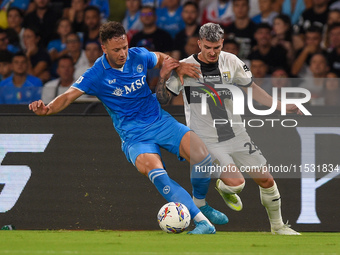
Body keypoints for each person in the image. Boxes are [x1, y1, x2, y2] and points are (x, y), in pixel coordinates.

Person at [28, 21, 229, 234]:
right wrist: (48, 109)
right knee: (158, 173)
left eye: (124, 47)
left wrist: (177, 65)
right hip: (134, 136)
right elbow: (69, 95)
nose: (123, 53)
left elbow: (160, 57)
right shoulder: (96, 73)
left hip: (160, 121)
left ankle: (199, 204)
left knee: (202, 157)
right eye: (116, 50)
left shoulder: (138, 55)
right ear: (104, 48)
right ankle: (202, 223)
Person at [158, 22, 302, 235]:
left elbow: (252, 88)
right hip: (206, 140)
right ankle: (225, 188)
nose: (212, 52)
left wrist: (280, 106)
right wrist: (165, 74)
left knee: (267, 179)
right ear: (199, 44)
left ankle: (278, 227)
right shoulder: (186, 67)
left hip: (237, 134)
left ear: (222, 43)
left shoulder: (232, 61)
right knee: (237, 185)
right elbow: (163, 99)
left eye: (217, 47)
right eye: (207, 47)